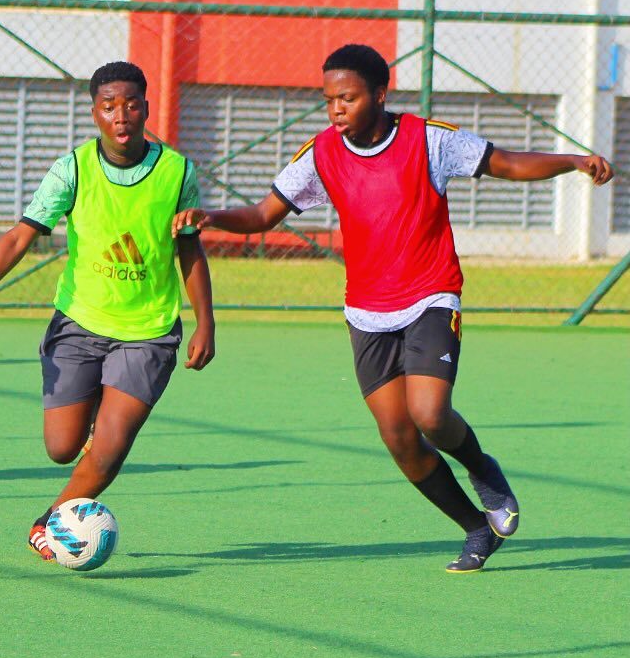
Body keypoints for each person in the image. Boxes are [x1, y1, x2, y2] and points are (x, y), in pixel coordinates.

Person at [173, 43, 614, 573]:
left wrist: (571, 161)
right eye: (329, 99)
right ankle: (476, 529)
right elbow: (265, 214)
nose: (337, 109)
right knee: (399, 438)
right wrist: (213, 215)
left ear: (380, 94)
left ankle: (483, 469)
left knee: (429, 414)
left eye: (349, 98)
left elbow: (505, 163)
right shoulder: (320, 154)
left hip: (431, 294)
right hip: (366, 311)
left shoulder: (428, 139)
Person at [0, 61, 216, 561]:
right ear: (94, 113)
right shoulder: (73, 169)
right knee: (62, 447)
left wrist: (205, 322)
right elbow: (21, 235)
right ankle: (91, 429)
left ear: (147, 108)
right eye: (109, 106)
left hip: (147, 332)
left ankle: (49, 523)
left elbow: (190, 250)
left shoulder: (177, 172)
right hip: (79, 323)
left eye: (131, 104)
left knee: (110, 445)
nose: (121, 115)